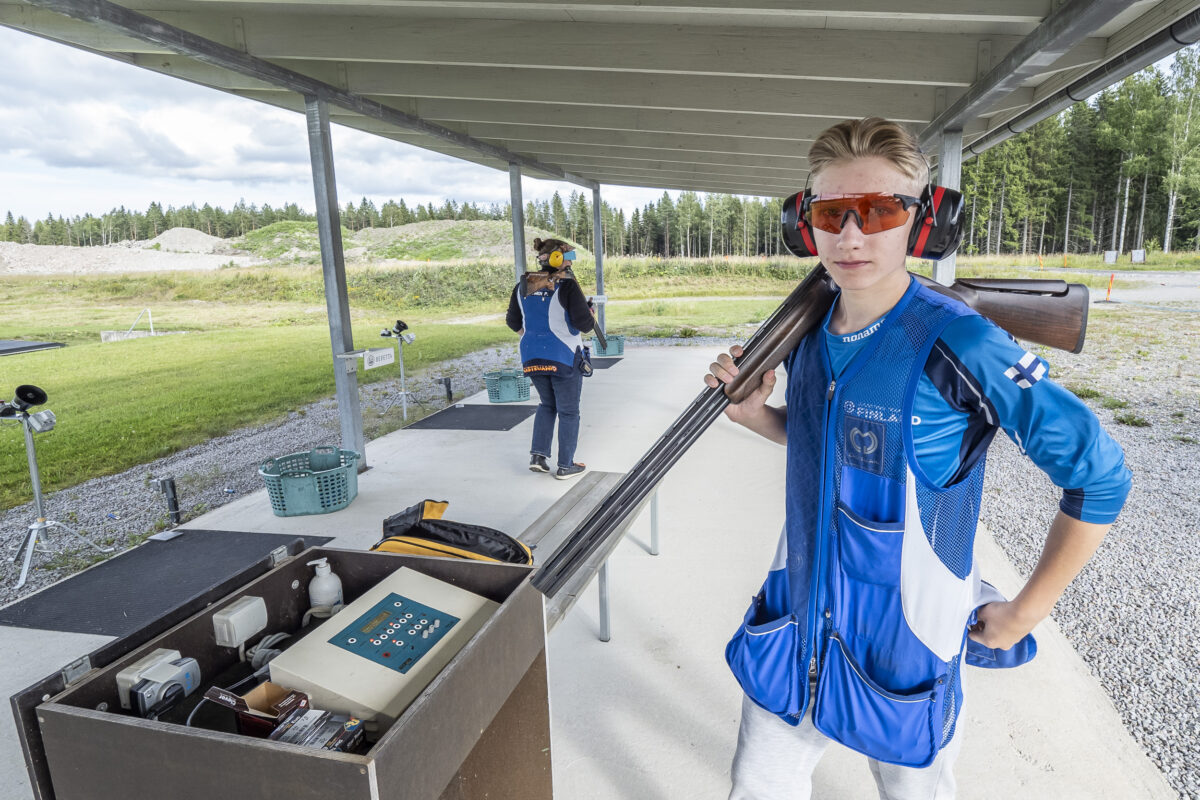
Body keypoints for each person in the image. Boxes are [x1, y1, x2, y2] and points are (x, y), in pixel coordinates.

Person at [706, 117, 1132, 800]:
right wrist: (756, 413)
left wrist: (1026, 611)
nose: (850, 235)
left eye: (879, 211)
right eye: (829, 212)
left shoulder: (964, 342)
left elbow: (1100, 475)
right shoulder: (809, 330)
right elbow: (829, 444)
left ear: (924, 221)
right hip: (794, 623)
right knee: (754, 786)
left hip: (908, 645)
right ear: (802, 224)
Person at [507, 236, 595, 480]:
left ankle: (538, 456)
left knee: (547, 404)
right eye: (569, 257)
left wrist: (534, 337)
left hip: (532, 357)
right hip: (564, 357)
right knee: (568, 412)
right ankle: (566, 465)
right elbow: (584, 324)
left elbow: (513, 322)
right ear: (558, 259)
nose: (571, 263)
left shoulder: (523, 286)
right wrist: (590, 312)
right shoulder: (567, 286)